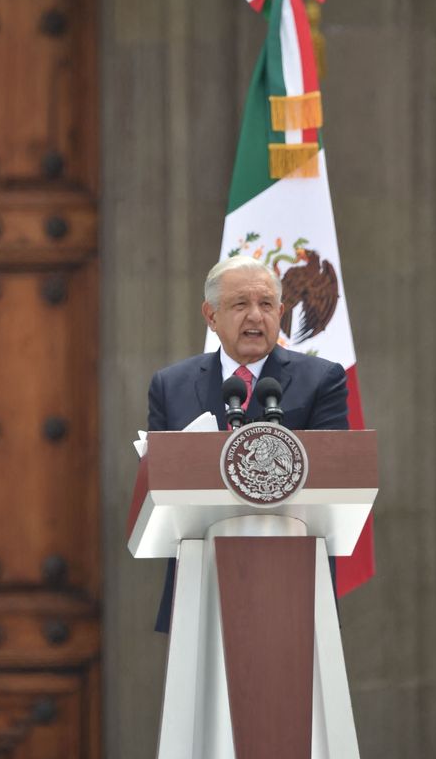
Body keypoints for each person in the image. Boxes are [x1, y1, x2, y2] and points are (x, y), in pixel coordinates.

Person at [149, 253, 349, 632]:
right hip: (200, 574)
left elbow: (334, 475)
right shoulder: (170, 386)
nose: (256, 316)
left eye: (266, 305)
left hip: (293, 573)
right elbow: (157, 487)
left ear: (281, 312)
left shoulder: (322, 380)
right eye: (240, 304)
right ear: (210, 315)